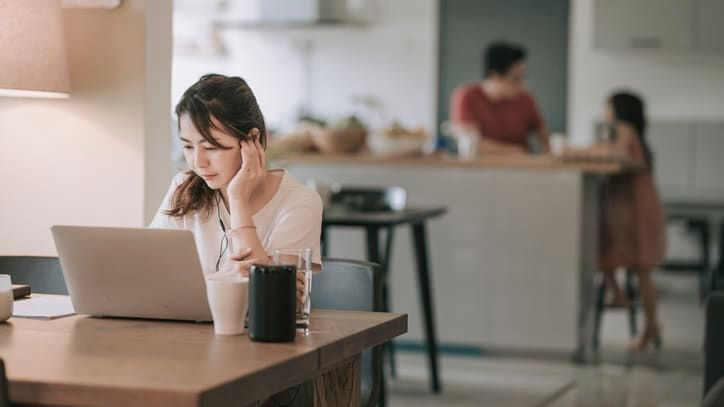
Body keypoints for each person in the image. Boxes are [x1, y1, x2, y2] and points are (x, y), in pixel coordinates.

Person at [150, 74, 323, 287]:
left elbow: (275, 297)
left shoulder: (300, 202)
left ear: (251, 140)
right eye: (188, 147)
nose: (198, 162)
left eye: (211, 147)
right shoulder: (182, 187)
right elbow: (151, 275)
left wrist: (238, 199)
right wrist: (221, 280)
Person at [568, 91, 666, 351]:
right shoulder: (630, 132)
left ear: (617, 110)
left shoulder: (622, 129)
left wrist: (575, 152)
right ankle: (620, 297)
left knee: (639, 267)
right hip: (630, 207)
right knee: (611, 255)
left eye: (607, 106)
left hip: (634, 208)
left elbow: (615, 153)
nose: (604, 111)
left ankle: (649, 325)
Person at [450, 41, 548, 154]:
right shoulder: (466, 96)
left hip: (521, 168)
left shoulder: (526, 98)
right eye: (515, 79)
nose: (521, 85)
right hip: (480, 168)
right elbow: (470, 143)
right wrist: (515, 151)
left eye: (522, 78)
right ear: (495, 76)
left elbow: (545, 140)